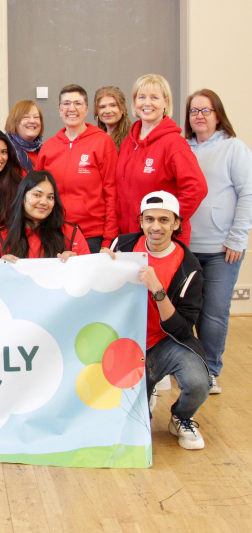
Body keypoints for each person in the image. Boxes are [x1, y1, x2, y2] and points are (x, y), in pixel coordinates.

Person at [102, 191, 210, 450]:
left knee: (198, 383)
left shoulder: (189, 267)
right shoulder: (122, 246)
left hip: (166, 343)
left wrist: (158, 291)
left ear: (176, 224)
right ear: (141, 222)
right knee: (129, 432)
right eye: (149, 219)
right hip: (126, 342)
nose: (156, 227)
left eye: (164, 220)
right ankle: (144, 393)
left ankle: (182, 417)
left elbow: (184, 330)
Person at [185, 89, 252, 394]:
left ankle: (210, 369)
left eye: (205, 110)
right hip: (186, 246)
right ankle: (190, 367)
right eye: (194, 111)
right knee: (190, 311)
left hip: (222, 249)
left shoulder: (233, 148)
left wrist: (238, 239)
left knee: (213, 311)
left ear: (217, 114)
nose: (199, 116)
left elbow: (247, 194)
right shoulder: (183, 147)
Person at [115, 74, 208, 245]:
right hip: (131, 238)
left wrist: (169, 223)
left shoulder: (174, 143)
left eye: (154, 97)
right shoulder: (129, 142)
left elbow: (197, 188)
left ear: (165, 102)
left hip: (163, 241)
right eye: (141, 97)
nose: (147, 103)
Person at [35, 84, 118, 253]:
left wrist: (108, 240)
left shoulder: (102, 142)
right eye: (66, 103)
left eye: (78, 103)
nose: (71, 108)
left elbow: (112, 193)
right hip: (54, 233)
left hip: (92, 235)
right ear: (59, 109)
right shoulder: (49, 147)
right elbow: (36, 191)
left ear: (87, 110)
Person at [0, 170, 90, 260]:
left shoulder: (72, 233)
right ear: (22, 198)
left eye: (50, 197)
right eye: (37, 195)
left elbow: (89, 275)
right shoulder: (1, 237)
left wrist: (77, 264)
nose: (44, 202)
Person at [5, 99, 44, 176]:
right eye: (26, 117)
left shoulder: (45, 151)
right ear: (15, 122)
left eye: (36, 117)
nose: (32, 121)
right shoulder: (5, 149)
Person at [94, 86, 132, 151]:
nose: (107, 111)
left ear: (123, 108)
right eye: (102, 107)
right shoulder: (95, 137)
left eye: (113, 105)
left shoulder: (131, 137)